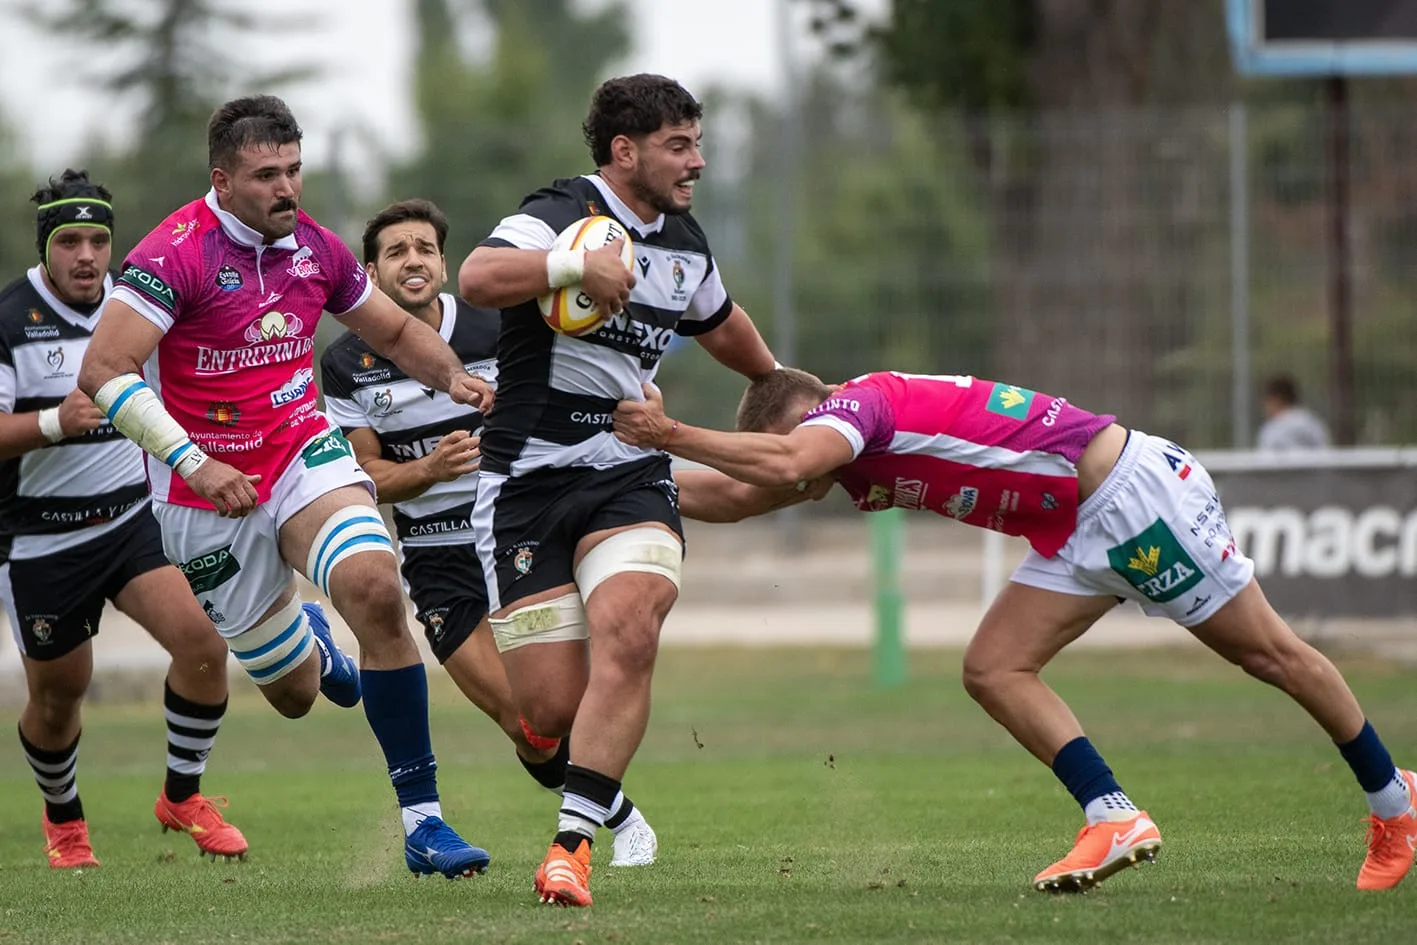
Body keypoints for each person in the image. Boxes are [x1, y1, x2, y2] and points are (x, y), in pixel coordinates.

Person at [612, 367, 1417, 894]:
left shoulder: (854, 407)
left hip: (1128, 501)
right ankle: (1111, 815)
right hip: (1071, 528)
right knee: (993, 666)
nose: (804, 473)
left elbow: (782, 464)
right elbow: (744, 490)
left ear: (810, 412)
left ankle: (1394, 798)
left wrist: (669, 432)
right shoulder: (831, 455)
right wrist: (619, 483)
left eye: (796, 445)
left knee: (1270, 655)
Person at [77, 96, 497, 879]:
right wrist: (195, 460)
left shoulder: (317, 248)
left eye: (294, 170)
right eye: (267, 174)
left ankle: (424, 821)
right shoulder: (174, 254)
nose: (287, 189)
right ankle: (306, 640)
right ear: (223, 180)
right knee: (298, 694)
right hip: (201, 496)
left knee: (374, 584)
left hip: (302, 453)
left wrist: (456, 376)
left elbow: (395, 331)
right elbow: (103, 370)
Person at [458, 73, 778, 906]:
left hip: (626, 470)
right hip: (523, 484)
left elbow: (723, 322)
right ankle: (583, 789)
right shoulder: (559, 210)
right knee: (549, 710)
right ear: (624, 150)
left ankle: (569, 848)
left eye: (697, 143)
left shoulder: (684, 240)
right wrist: (572, 263)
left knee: (631, 628)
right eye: (680, 145)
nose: (696, 161)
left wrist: (785, 387)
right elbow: (478, 278)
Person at [319, 198, 657, 867]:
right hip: (438, 557)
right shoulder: (347, 361)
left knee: (552, 711)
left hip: (516, 535)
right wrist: (427, 468)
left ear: (444, 264)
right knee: (528, 727)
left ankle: (599, 818)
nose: (412, 261)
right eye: (395, 252)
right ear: (371, 273)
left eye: (423, 248)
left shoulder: (500, 323)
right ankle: (620, 814)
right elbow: (363, 477)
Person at [0, 170, 246, 869]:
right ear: (45, 245)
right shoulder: (10, 319)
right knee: (59, 697)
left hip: (133, 524)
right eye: (70, 240)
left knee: (203, 644)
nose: (86, 255)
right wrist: (52, 421)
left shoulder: (135, 307)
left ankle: (183, 794)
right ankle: (64, 817)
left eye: (99, 240)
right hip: (42, 541)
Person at [1257, 374, 1332, 452]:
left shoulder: (1272, 428)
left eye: (1267, 402)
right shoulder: (1313, 423)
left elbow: (1265, 460)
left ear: (1276, 399)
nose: (1265, 407)